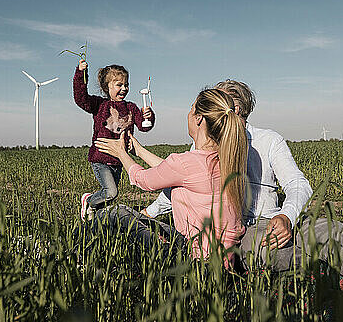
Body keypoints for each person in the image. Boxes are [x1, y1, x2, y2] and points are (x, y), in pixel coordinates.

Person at [142, 80, 343, 278]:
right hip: (242, 233)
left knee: (333, 231)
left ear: (241, 114)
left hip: (274, 219)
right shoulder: (203, 144)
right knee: (290, 251)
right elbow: (179, 186)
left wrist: (286, 215)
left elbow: (297, 183)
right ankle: (332, 276)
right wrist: (150, 213)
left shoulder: (268, 141)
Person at [93, 88, 248, 264]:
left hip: (195, 259)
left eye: (191, 109)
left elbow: (143, 180)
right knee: (129, 213)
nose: (188, 114)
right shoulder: (226, 158)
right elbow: (173, 171)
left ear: (199, 119)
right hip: (224, 259)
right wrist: (139, 151)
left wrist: (121, 153)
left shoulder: (186, 163)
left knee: (114, 212)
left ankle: (78, 257)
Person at [73, 59, 155, 220]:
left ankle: (96, 219)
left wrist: (149, 116)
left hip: (118, 161)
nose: (124, 88)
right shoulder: (99, 105)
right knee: (111, 192)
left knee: (109, 197)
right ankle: (88, 201)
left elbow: (144, 127)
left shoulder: (131, 107)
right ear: (107, 87)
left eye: (126, 84)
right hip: (101, 158)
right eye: (119, 84)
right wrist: (81, 73)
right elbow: (80, 98)